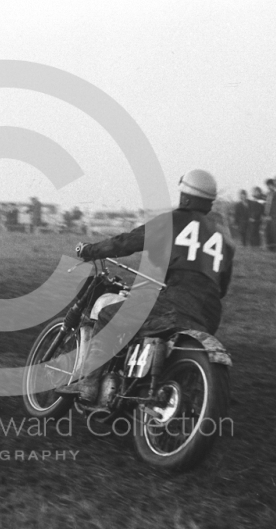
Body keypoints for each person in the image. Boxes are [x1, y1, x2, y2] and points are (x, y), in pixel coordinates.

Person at [57, 169, 235, 403]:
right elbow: (221, 287)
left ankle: (89, 383)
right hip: (209, 313)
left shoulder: (174, 220)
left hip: (175, 301)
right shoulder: (224, 236)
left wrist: (89, 250)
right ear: (209, 203)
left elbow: (126, 242)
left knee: (110, 315)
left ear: (186, 197)